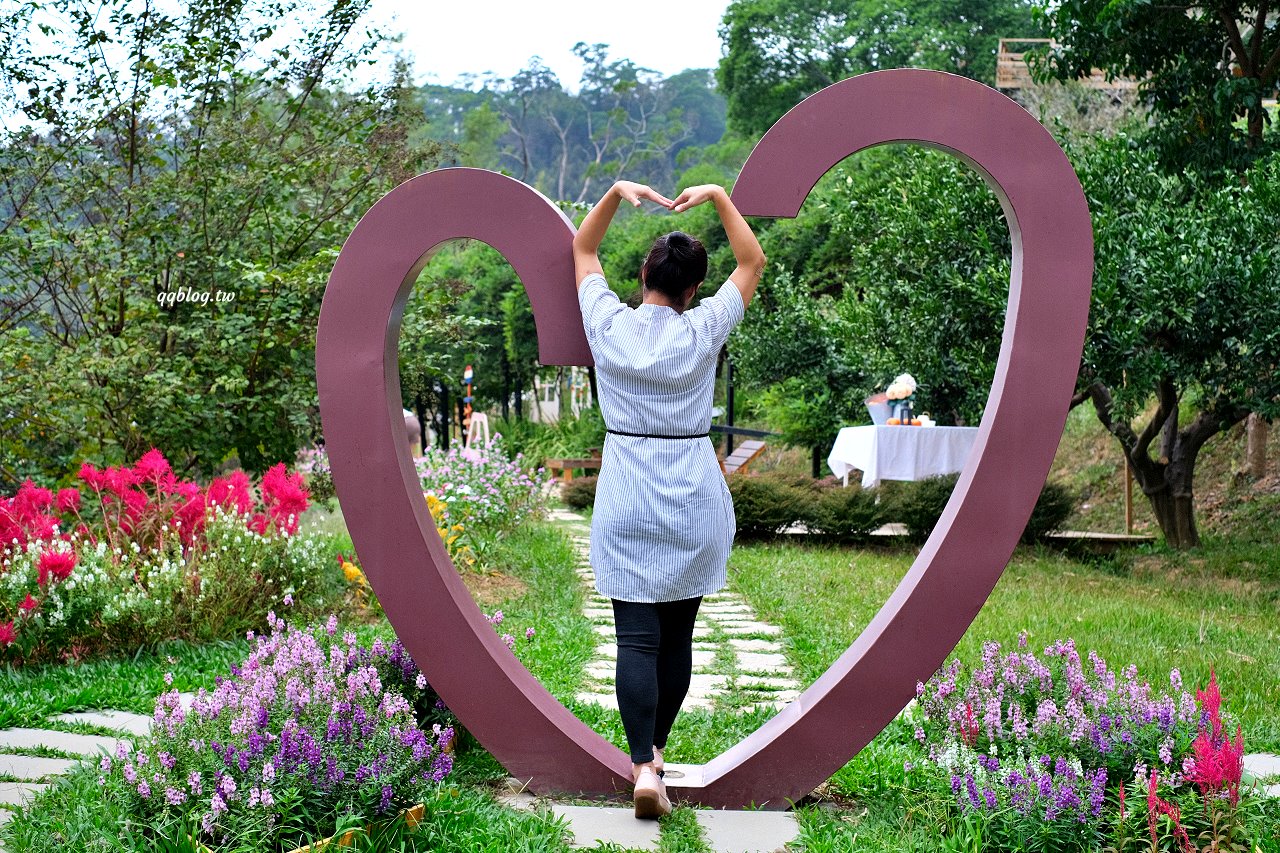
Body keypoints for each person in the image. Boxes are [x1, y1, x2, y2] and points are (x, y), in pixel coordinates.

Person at [571, 181, 766, 818]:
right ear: (690, 292)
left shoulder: (608, 325)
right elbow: (751, 261)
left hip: (628, 489)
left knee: (636, 638)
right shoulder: (703, 328)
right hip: (689, 494)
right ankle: (657, 753)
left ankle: (640, 765)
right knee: (678, 637)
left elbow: (582, 249)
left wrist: (614, 194)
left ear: (644, 276)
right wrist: (715, 195)